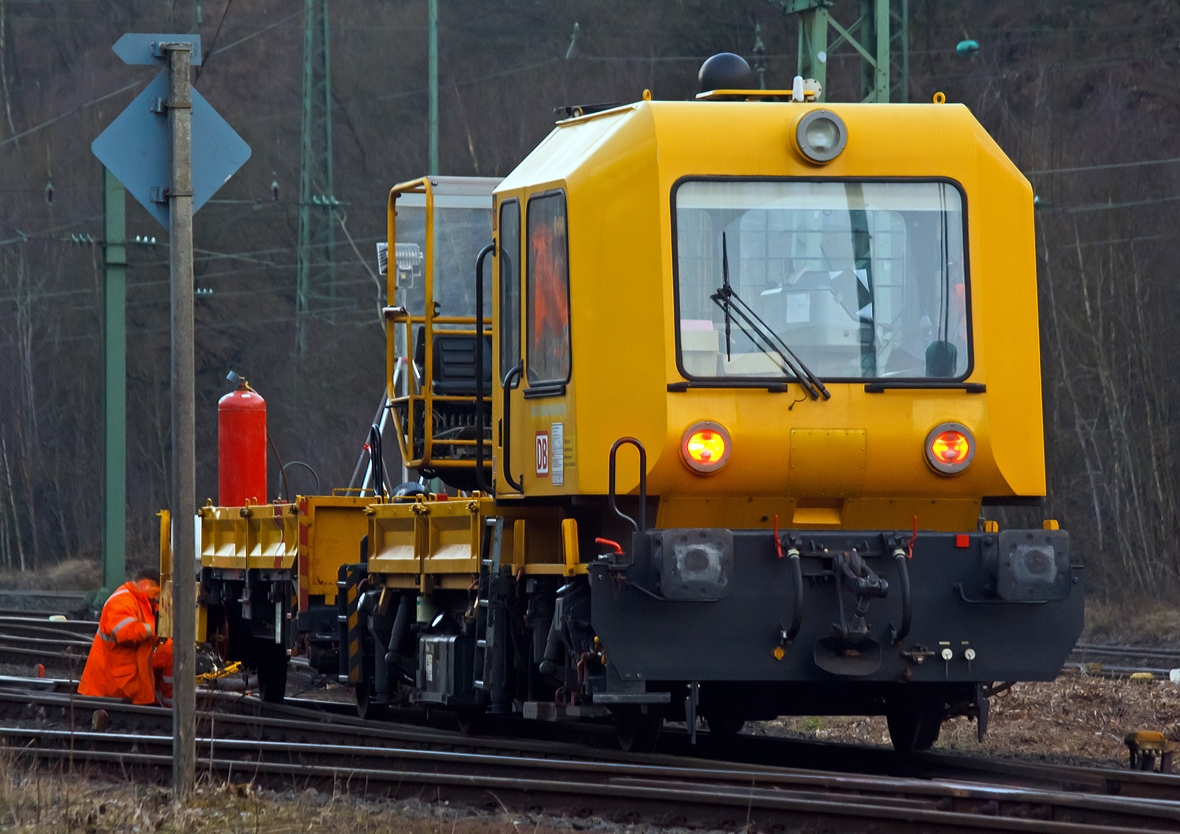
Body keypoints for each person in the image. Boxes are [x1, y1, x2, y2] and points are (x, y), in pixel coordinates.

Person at [78, 568, 174, 706]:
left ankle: (164, 706)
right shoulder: (121, 601)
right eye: (156, 592)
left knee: (171, 651)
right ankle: (168, 708)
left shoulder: (143, 600)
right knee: (172, 654)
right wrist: (156, 630)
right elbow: (124, 632)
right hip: (114, 673)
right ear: (145, 584)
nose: (156, 596)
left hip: (127, 663)